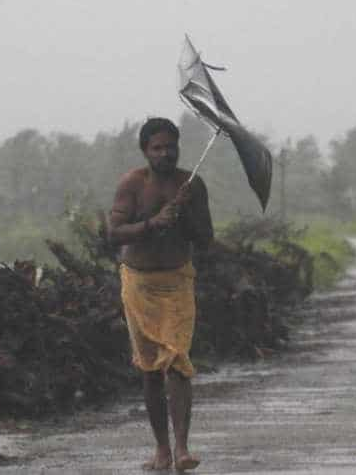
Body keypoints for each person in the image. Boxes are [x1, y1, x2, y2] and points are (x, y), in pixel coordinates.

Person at [107, 117, 213, 471]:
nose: (166, 153)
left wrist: (185, 217)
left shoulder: (192, 185)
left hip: (178, 281)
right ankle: (161, 450)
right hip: (139, 284)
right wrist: (153, 222)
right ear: (145, 151)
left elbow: (206, 239)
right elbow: (115, 232)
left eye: (172, 147)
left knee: (178, 361)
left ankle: (182, 449)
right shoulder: (132, 184)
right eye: (158, 148)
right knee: (150, 368)